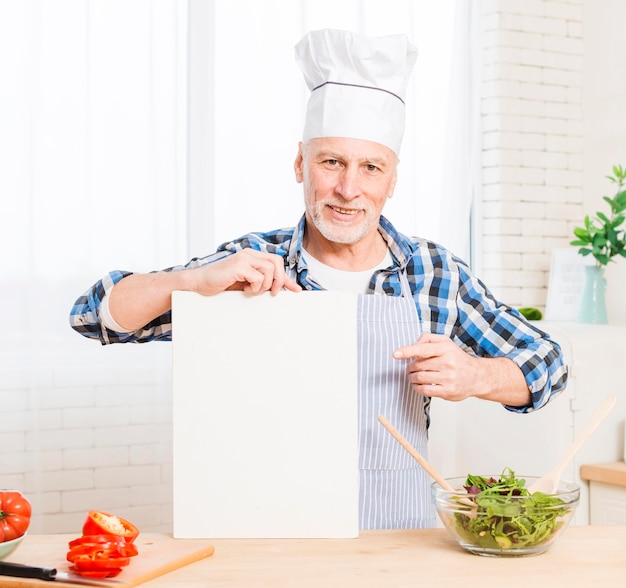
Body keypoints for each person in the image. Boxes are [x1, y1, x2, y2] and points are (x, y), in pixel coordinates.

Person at [70, 29, 568, 530]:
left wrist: (476, 376)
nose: (348, 189)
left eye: (370, 167)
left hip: (395, 531)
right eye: (331, 162)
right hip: (266, 528)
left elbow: (548, 365)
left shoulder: (432, 272)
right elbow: (96, 316)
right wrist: (196, 282)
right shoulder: (251, 262)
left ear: (392, 181)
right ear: (299, 164)